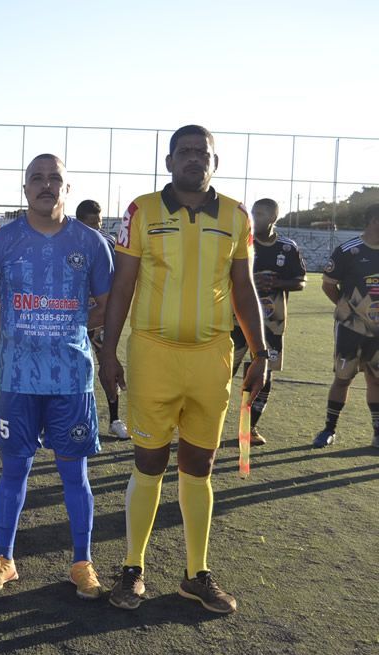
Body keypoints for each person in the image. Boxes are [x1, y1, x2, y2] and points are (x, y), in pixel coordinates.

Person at [100, 125, 266, 614]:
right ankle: (133, 567)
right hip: (153, 355)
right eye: (185, 151)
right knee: (149, 462)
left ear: (215, 162)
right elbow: (123, 285)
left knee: (200, 466)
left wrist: (261, 353)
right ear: (169, 161)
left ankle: (196, 574)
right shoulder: (142, 210)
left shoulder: (236, 215)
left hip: (212, 358)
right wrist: (108, 352)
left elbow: (243, 287)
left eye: (203, 153)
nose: (194, 158)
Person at [0, 156, 112, 599]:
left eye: (55, 179)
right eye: (37, 178)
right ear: (25, 188)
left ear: (67, 189)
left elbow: (107, 306)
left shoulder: (91, 243)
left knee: (75, 474)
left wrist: (70, 325)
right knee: (14, 470)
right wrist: (13, 326)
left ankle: (82, 562)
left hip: (71, 379)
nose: (46, 185)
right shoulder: (1, 243)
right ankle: (4, 558)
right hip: (16, 378)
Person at [230, 198, 305, 445]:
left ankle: (248, 428)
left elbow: (300, 281)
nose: (254, 218)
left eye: (260, 214)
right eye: (253, 212)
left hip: (272, 324)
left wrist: (277, 283)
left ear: (273, 218)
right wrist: (251, 281)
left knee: (263, 377)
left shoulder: (287, 248)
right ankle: (206, 424)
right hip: (237, 322)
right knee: (221, 374)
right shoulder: (241, 241)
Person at [313, 203, 379, 449]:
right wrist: (347, 309)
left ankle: (378, 433)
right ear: (374, 221)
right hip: (350, 329)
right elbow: (328, 285)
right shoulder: (348, 251)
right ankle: (329, 430)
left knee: (376, 379)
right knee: (342, 378)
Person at [75, 199, 129, 441]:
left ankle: (114, 420)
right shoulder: (66, 242)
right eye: (91, 223)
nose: (97, 228)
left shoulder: (108, 242)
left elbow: (119, 278)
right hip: (73, 314)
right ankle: (66, 418)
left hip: (100, 316)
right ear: (79, 222)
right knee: (70, 367)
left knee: (107, 363)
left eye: (99, 222)